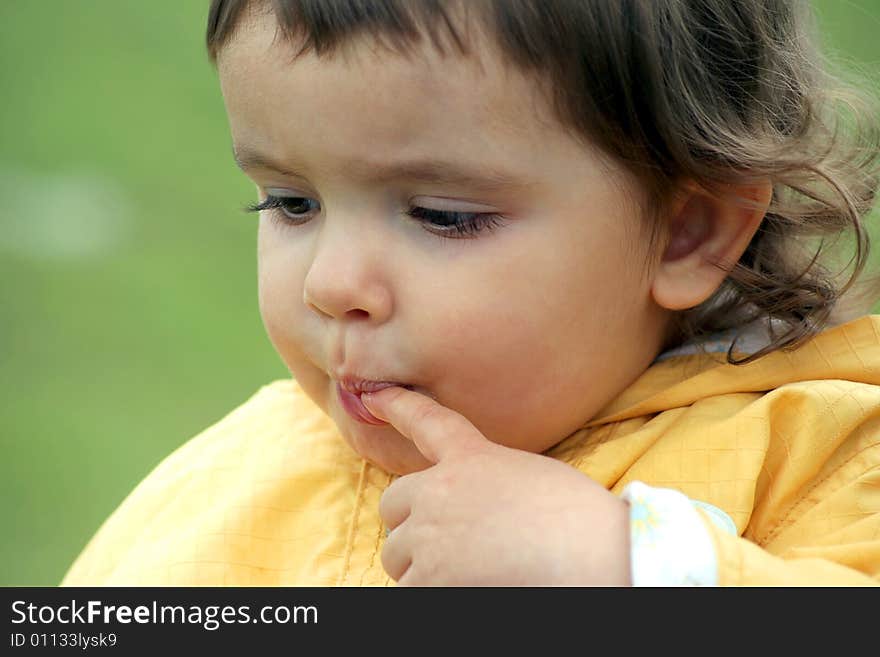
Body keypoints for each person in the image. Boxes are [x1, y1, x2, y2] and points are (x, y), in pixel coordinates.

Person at [61, 0, 880, 586]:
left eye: (442, 215)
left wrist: (624, 568)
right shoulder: (230, 479)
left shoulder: (823, 464)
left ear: (688, 233)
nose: (331, 282)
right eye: (291, 202)